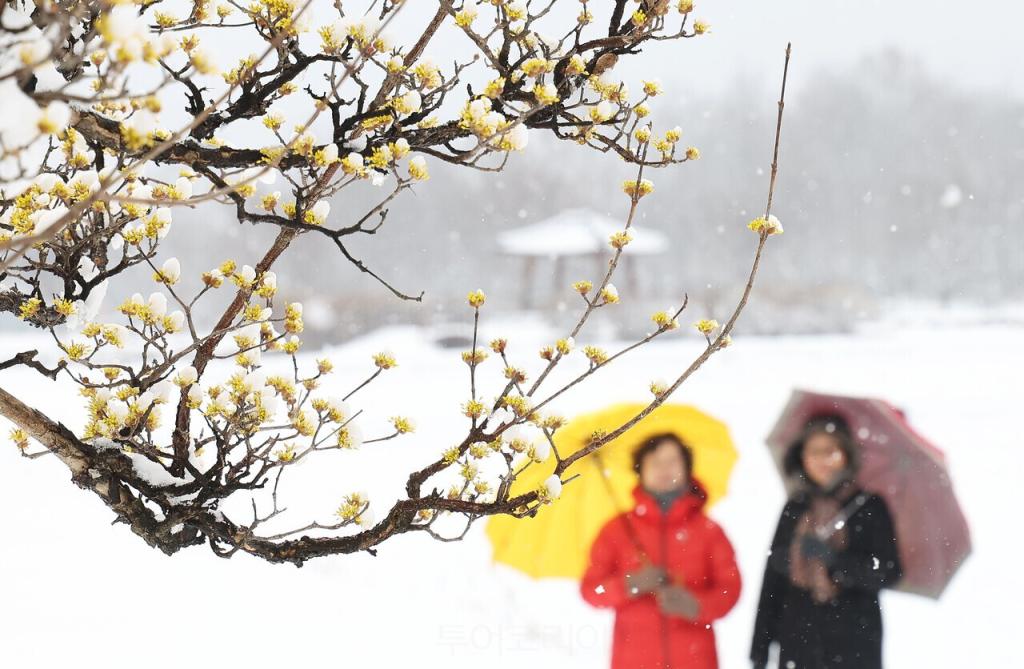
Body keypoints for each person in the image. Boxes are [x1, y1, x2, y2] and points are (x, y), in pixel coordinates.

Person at [750, 414, 903, 669]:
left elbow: (889, 571)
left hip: (855, 644)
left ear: (846, 453)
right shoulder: (796, 507)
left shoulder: (869, 506)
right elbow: (773, 581)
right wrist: (760, 649)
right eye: (813, 451)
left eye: (829, 450)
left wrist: (836, 561)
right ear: (802, 457)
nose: (821, 460)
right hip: (798, 643)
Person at [581, 433, 741, 669]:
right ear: (640, 469)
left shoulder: (709, 531)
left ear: (687, 468)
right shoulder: (616, 530)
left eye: (672, 461)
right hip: (633, 660)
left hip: (696, 660)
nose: (664, 469)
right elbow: (591, 590)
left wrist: (695, 605)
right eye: (655, 462)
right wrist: (630, 584)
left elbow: (730, 589)